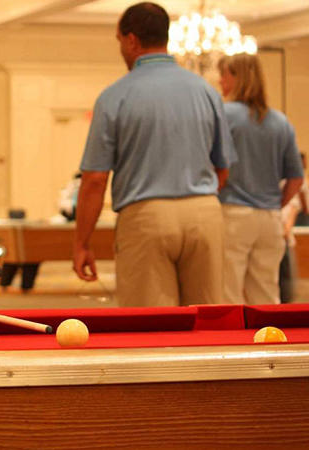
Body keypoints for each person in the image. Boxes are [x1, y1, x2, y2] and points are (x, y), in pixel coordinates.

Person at [73, 2, 235, 307]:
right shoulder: (206, 91)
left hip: (146, 217)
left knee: (152, 327)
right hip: (204, 213)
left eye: (120, 41)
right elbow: (223, 169)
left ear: (131, 40)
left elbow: (95, 179)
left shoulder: (114, 97)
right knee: (208, 321)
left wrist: (82, 242)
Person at [217, 54, 303, 304]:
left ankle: (231, 343)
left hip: (232, 212)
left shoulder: (225, 114)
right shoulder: (280, 122)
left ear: (238, 78)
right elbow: (296, 178)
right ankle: (268, 340)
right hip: (269, 218)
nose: (221, 81)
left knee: (228, 293)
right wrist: (275, 203)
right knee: (266, 293)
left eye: (225, 75)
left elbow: (214, 165)